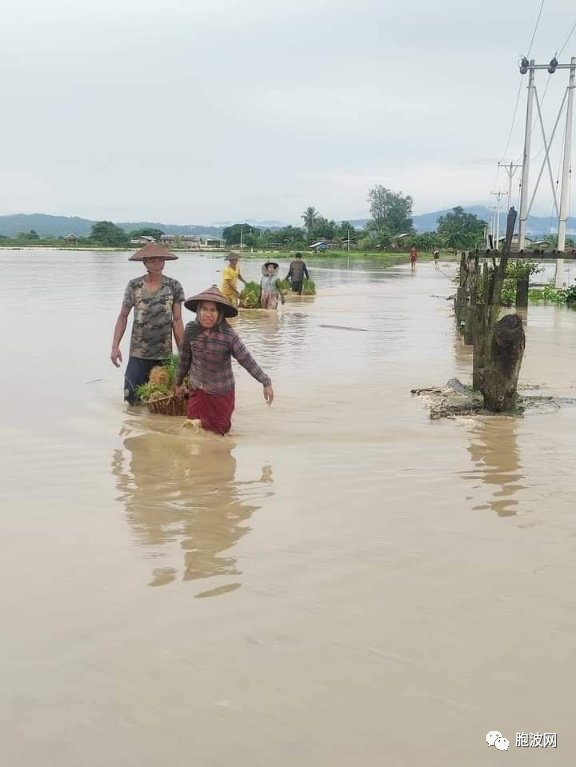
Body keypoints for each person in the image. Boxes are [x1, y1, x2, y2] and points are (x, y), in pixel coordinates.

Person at [175, 286, 274, 435]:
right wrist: (178, 382)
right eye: (205, 309)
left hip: (221, 393)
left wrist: (265, 382)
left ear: (220, 313)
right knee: (192, 432)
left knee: (219, 435)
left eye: (213, 310)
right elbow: (184, 360)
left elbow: (246, 359)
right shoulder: (191, 330)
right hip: (197, 391)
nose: (208, 314)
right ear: (198, 310)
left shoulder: (228, 335)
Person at [111, 242, 185, 403]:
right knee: (133, 402)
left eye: (160, 260)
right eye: (152, 261)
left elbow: (177, 321)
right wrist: (115, 346)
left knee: (162, 401)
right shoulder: (134, 286)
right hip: (138, 354)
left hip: (164, 355)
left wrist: (183, 352)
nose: (157, 264)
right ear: (145, 263)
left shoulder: (174, 286)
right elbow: (123, 316)